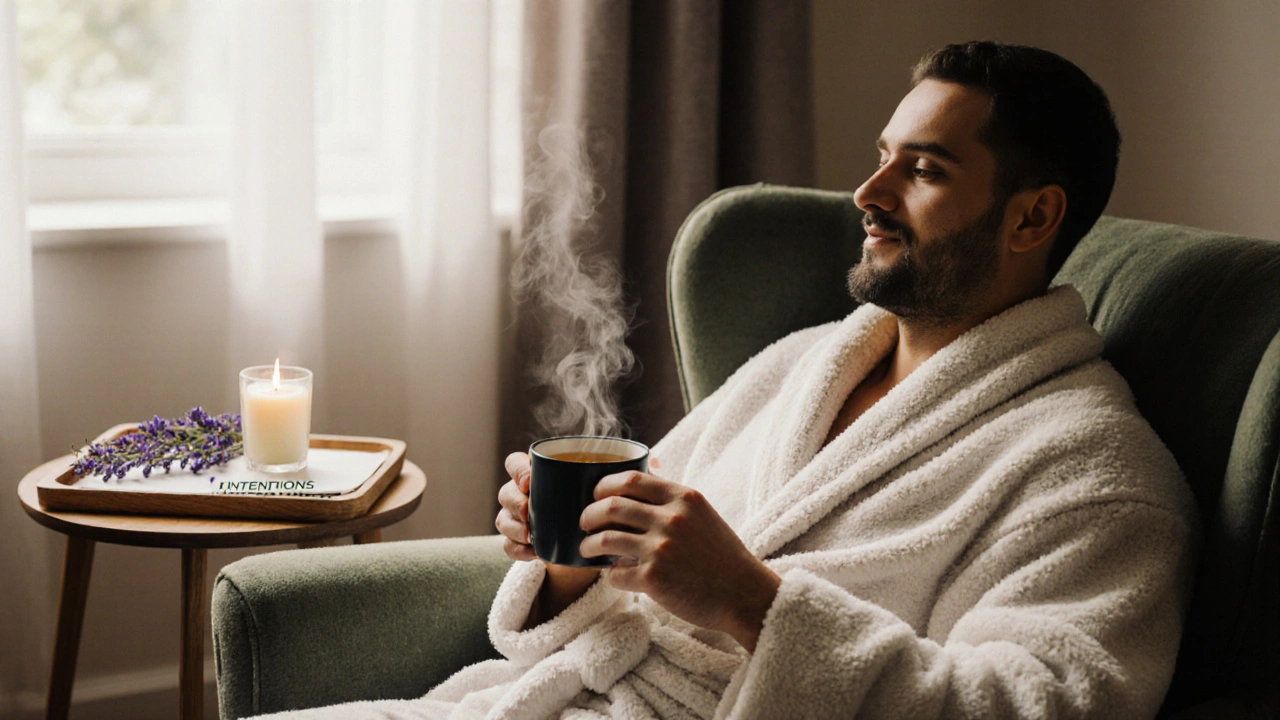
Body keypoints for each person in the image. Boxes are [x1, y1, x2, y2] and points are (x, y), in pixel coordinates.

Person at [257, 41, 1198, 720]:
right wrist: (569, 564)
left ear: (1032, 219)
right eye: (882, 156)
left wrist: (753, 602)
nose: (868, 195)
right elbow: (630, 596)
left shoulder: (1098, 478)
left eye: (922, 170)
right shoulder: (799, 368)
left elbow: (1039, 703)